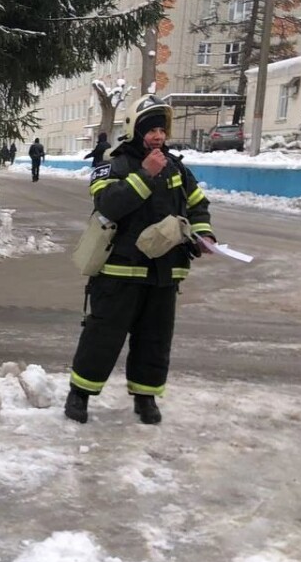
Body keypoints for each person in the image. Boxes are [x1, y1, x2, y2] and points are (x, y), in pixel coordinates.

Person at [64, 95, 215, 425]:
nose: (158, 137)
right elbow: (107, 204)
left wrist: (204, 235)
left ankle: (146, 397)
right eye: (151, 130)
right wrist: (144, 176)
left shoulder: (176, 167)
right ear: (135, 130)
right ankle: (80, 394)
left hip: (164, 273)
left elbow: (197, 205)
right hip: (119, 270)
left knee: (155, 340)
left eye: (162, 130)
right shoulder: (112, 162)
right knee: (102, 337)